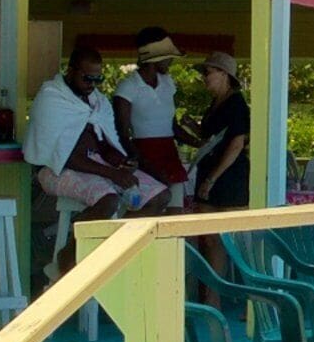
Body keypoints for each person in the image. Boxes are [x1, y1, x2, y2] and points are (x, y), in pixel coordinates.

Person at [26, 42, 166, 217]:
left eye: (97, 79)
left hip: (96, 166)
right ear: (70, 71)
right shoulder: (51, 98)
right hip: (56, 169)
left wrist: (121, 163)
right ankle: (77, 245)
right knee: (109, 200)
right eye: (87, 78)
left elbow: (103, 145)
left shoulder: (98, 101)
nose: (92, 84)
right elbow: (62, 155)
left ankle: (120, 242)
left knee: (159, 196)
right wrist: (113, 174)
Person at [114, 30, 190, 206]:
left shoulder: (168, 82)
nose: (171, 61)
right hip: (143, 156)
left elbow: (172, 126)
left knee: (175, 215)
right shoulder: (128, 86)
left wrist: (199, 143)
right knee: (149, 212)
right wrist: (145, 165)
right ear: (156, 58)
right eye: (168, 57)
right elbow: (122, 134)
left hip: (170, 154)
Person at [187, 50, 254, 210]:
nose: (204, 77)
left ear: (224, 74)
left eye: (208, 72)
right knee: (204, 229)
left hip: (228, 177)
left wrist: (211, 179)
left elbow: (236, 144)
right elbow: (212, 137)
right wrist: (192, 126)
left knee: (227, 230)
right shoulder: (215, 103)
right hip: (208, 171)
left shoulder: (236, 104)